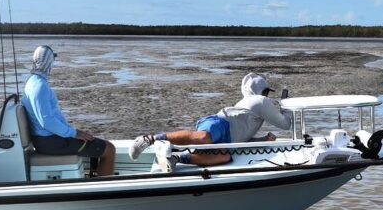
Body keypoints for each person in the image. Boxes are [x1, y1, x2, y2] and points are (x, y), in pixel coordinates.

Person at [128, 72, 293, 172]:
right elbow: (286, 124)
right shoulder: (261, 101)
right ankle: (149, 139)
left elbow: (241, 137)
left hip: (228, 141)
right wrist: (286, 105)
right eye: (266, 91)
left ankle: (176, 158)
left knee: (224, 157)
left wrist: (262, 140)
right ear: (261, 91)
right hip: (220, 124)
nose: (268, 95)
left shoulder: (253, 105)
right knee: (204, 138)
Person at [22, 45, 116, 177]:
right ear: (48, 61)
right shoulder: (40, 86)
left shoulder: (31, 81)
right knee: (109, 149)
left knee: (92, 140)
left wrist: (72, 132)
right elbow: (47, 121)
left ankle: (95, 179)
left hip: (46, 139)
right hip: (51, 141)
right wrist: (74, 132)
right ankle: (105, 190)